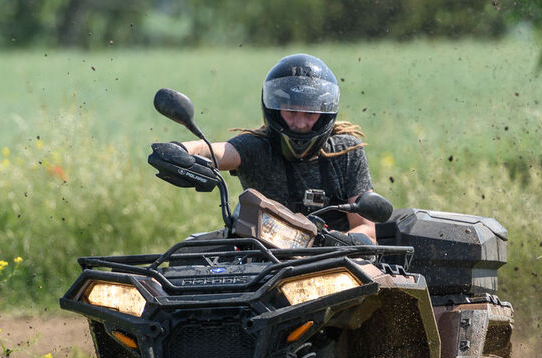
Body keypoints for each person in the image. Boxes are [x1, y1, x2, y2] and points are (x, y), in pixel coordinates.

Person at [151, 53, 376, 237]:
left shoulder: (346, 152)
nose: (300, 123)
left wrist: (339, 241)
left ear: (325, 112)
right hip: (265, 261)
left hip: (337, 266)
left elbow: (367, 230)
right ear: (275, 110)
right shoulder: (257, 147)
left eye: (310, 114)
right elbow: (216, 151)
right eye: (291, 112)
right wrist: (179, 151)